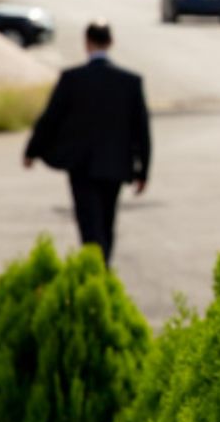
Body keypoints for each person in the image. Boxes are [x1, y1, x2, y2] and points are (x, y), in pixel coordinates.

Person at [24, 20, 151, 263]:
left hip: (81, 166)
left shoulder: (72, 79)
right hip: (116, 165)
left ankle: (96, 272)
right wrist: (143, 171)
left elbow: (50, 118)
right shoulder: (130, 82)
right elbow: (142, 130)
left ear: (87, 43)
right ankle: (103, 272)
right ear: (111, 42)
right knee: (106, 221)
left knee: (89, 224)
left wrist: (32, 151)